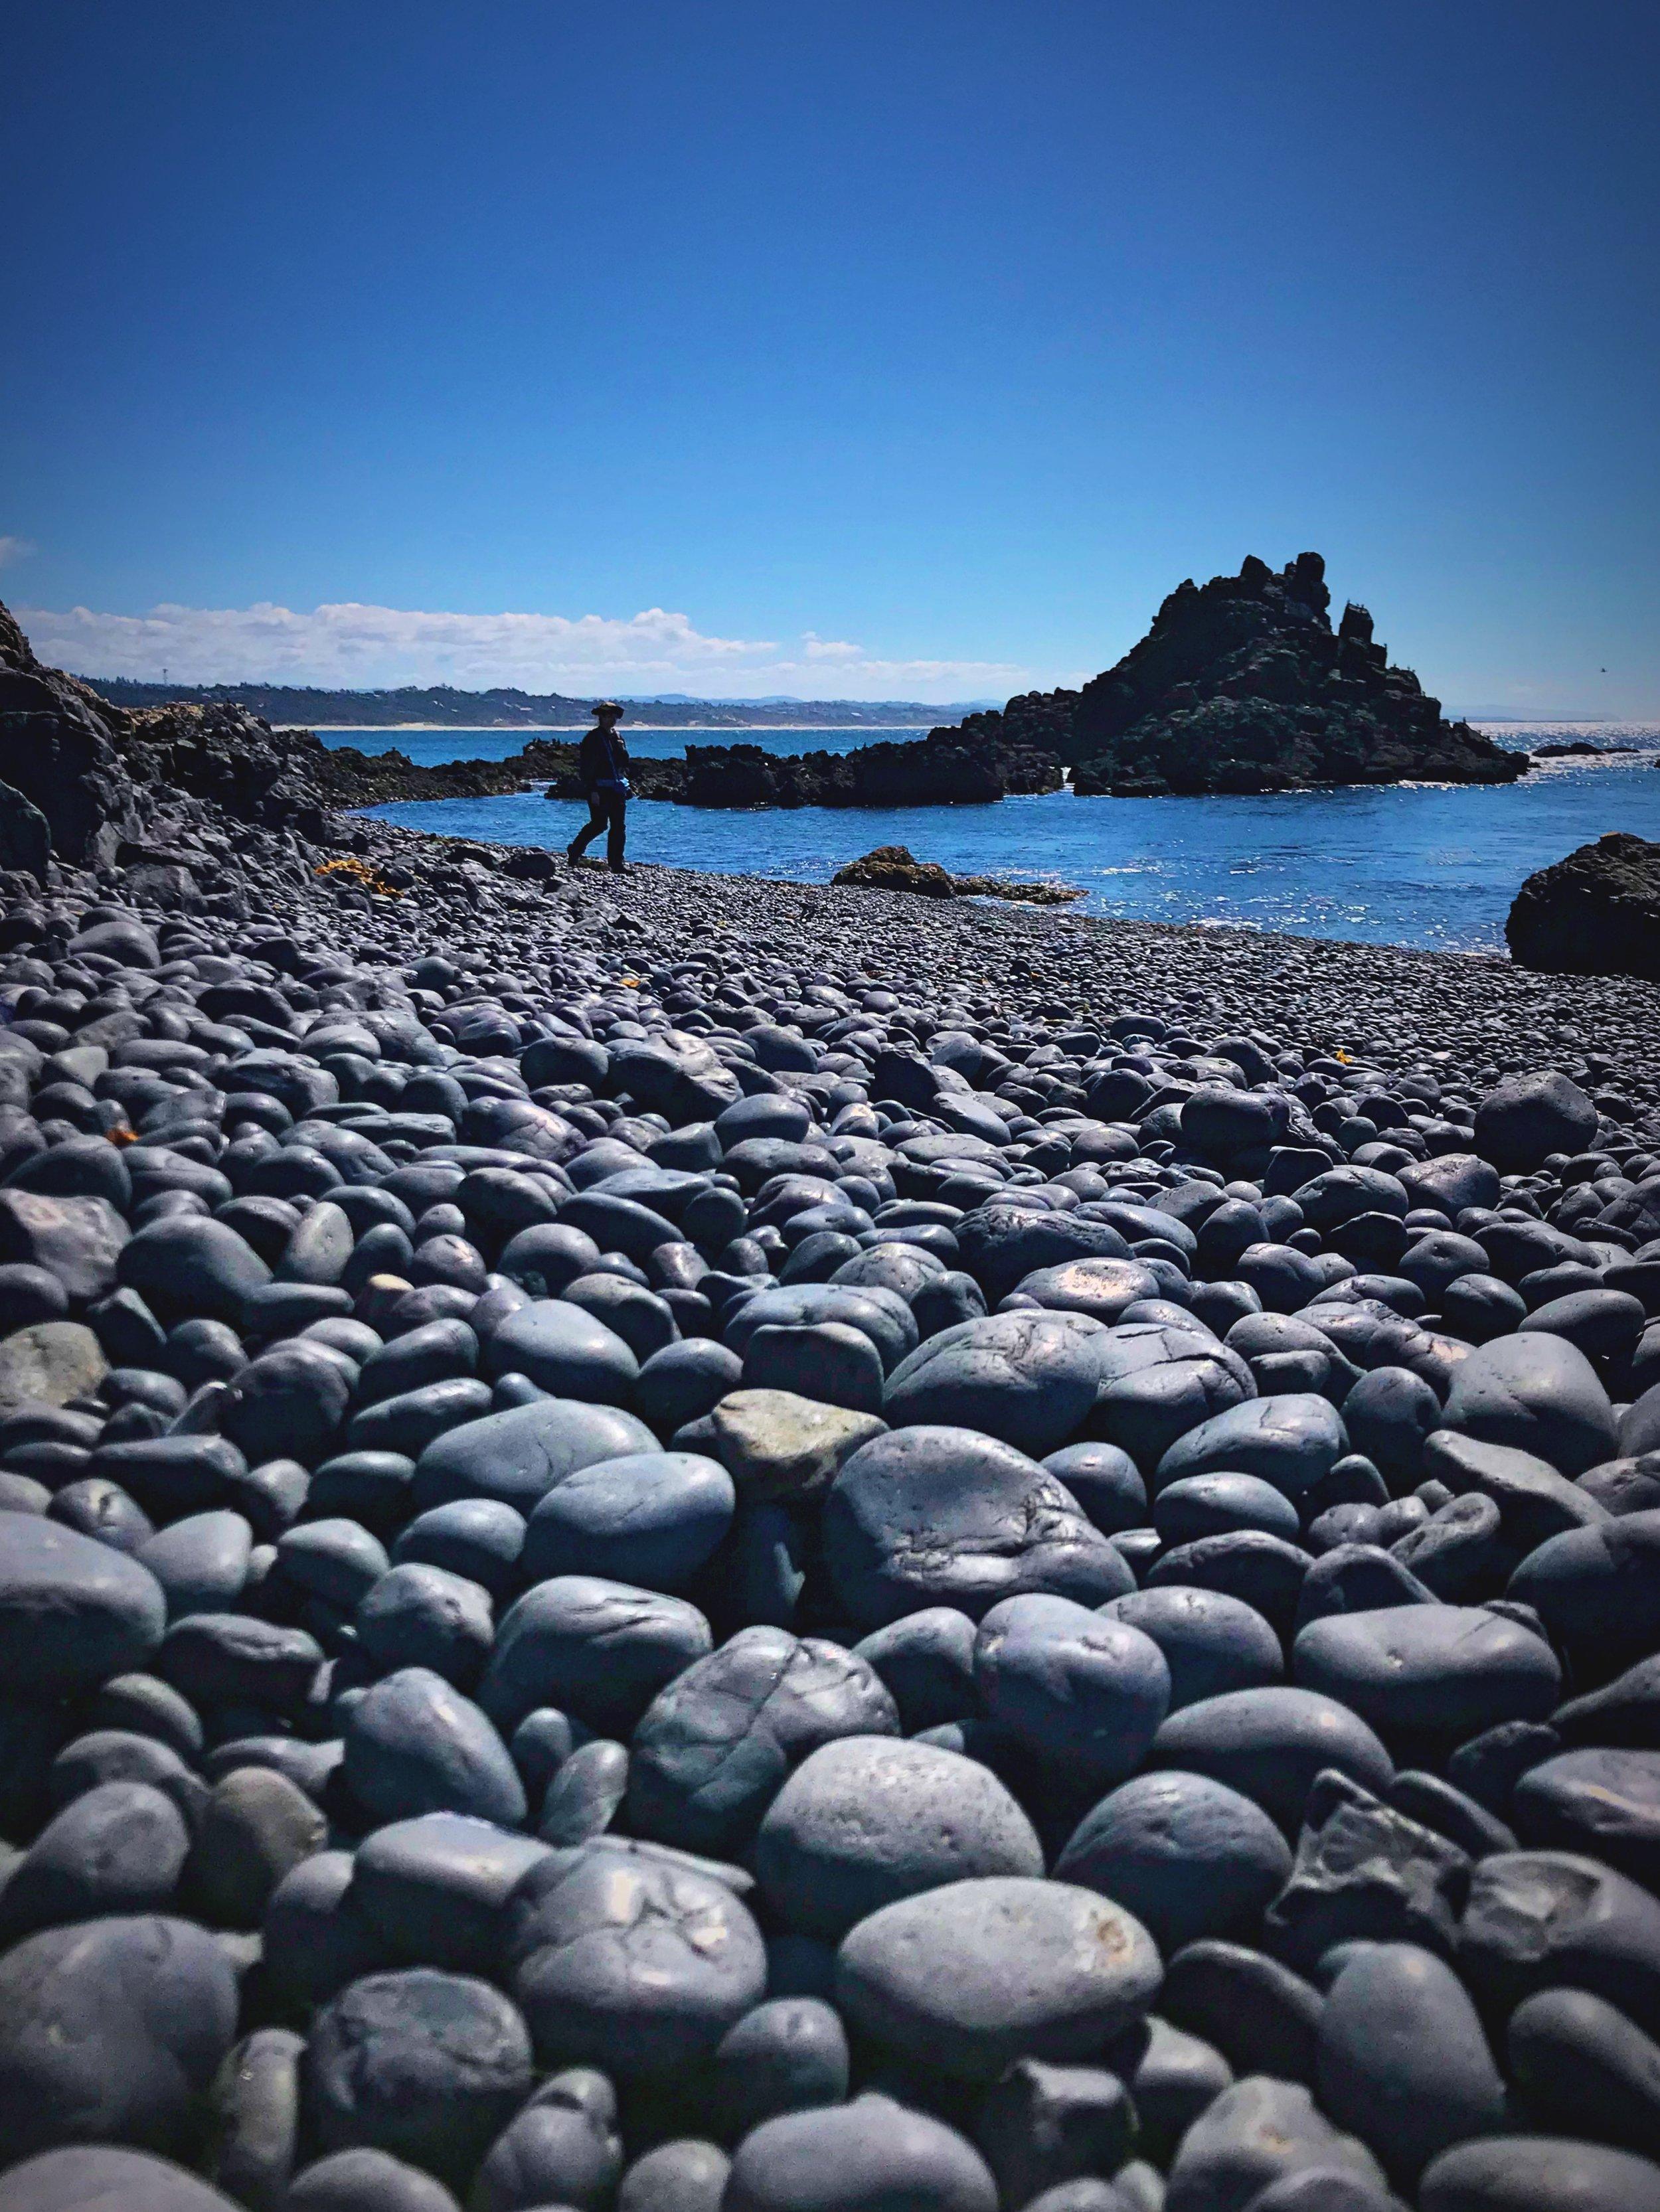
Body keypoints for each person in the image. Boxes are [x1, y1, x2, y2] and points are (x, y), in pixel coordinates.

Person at [566, 700, 631, 872]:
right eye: (608, 716)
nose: (612, 719)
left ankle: (617, 863)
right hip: (600, 788)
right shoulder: (592, 739)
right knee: (599, 824)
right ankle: (575, 850)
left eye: (613, 716)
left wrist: (628, 784)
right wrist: (592, 790)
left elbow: (623, 763)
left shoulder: (618, 737)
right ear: (600, 718)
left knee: (619, 827)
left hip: (617, 788)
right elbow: (587, 768)